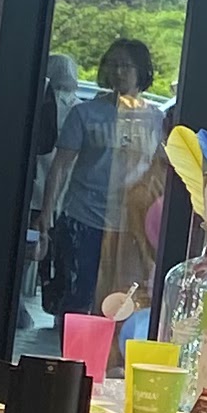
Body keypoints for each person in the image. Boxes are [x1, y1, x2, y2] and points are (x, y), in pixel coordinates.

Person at [41, 39, 169, 320]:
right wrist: (47, 214)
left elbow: (160, 172)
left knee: (120, 303)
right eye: (113, 65)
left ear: (142, 70)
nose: (118, 72)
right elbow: (60, 166)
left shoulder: (155, 119)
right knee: (77, 297)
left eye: (126, 66)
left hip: (130, 224)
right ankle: (71, 348)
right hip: (85, 217)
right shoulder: (85, 113)